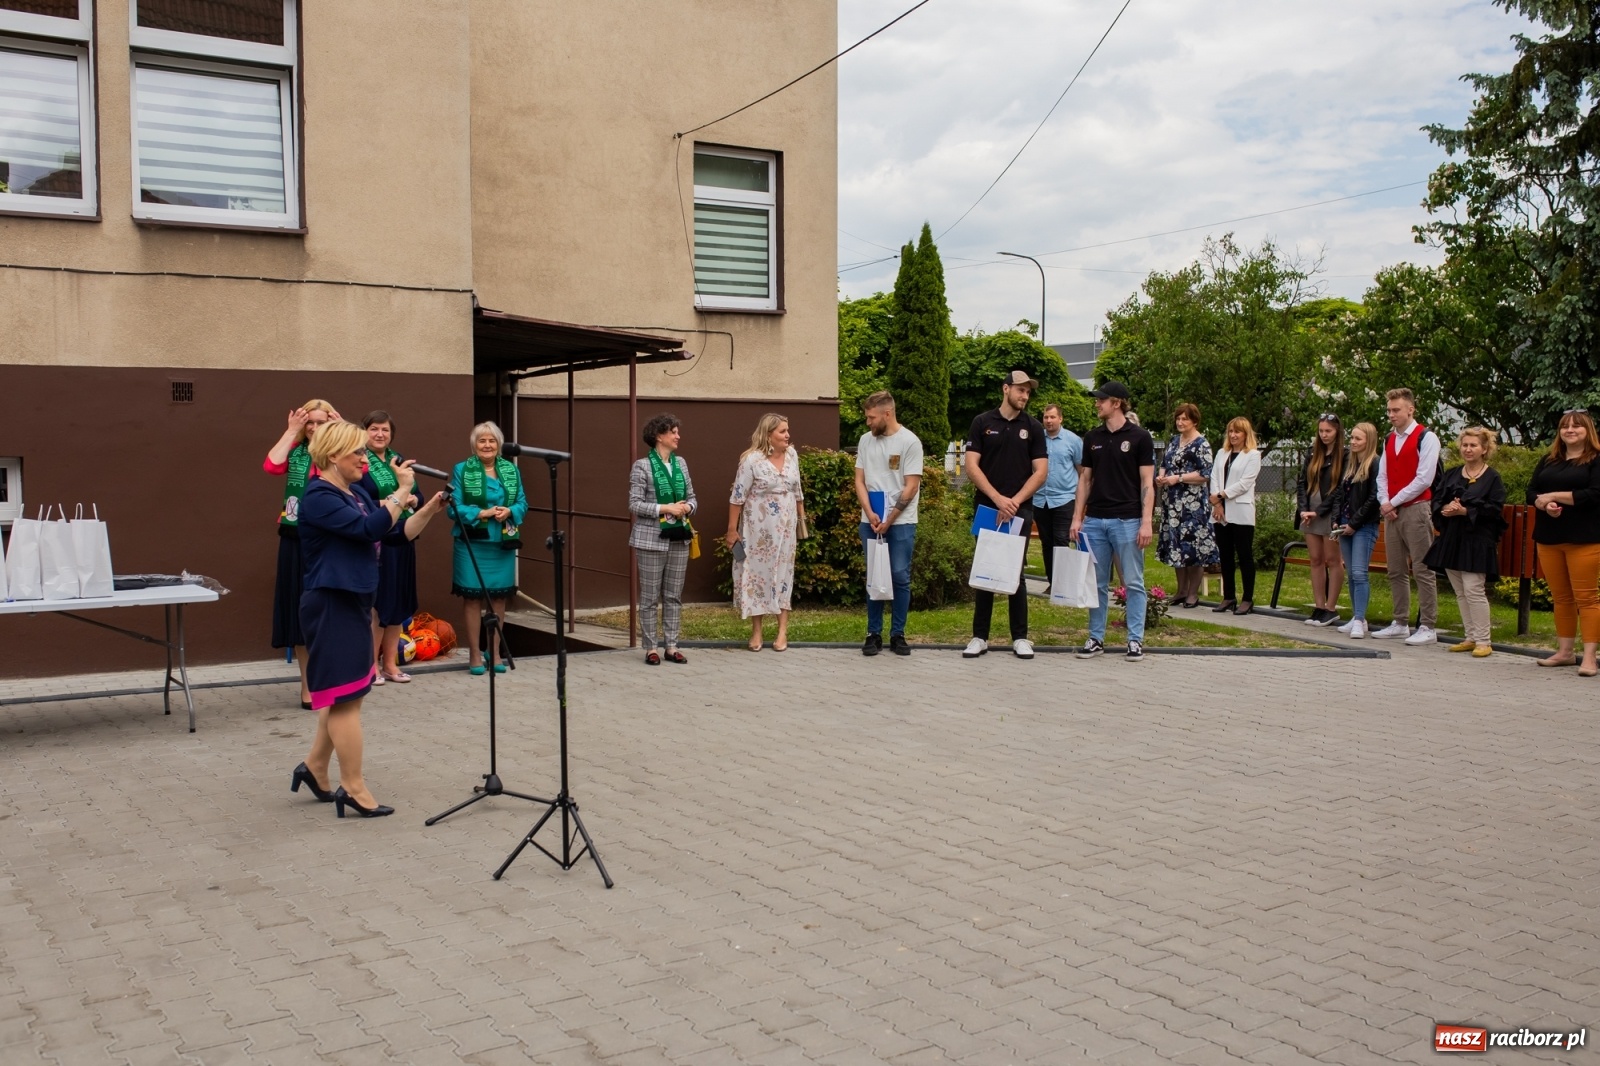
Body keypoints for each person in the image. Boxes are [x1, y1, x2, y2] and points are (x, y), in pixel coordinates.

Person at [290, 420, 417, 818]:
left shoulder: (354, 492)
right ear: (332, 456)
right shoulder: (319, 496)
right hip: (332, 602)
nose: (365, 458)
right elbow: (368, 529)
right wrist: (401, 491)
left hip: (354, 602)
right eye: (358, 452)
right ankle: (354, 787)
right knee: (347, 701)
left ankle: (313, 767)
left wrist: (429, 506)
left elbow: (394, 534)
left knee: (346, 694)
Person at [961, 370, 1048, 660]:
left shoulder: (1033, 427)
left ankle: (1020, 637)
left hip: (1019, 508)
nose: (1025, 396)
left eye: (1028, 392)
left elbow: (1041, 472)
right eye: (1020, 390)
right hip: (988, 506)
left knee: (1015, 571)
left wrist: (1014, 501)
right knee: (985, 568)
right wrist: (998, 499)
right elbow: (972, 466)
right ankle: (979, 636)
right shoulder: (982, 423)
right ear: (1006, 389)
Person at [1071, 381, 1156, 662]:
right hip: (1095, 520)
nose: (1097, 403)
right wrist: (1077, 517)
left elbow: (1147, 482)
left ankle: (1135, 640)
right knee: (1095, 584)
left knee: (1133, 582)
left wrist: (1146, 521)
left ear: (1117, 402)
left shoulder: (1140, 437)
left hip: (1128, 520)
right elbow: (1085, 479)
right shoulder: (1092, 437)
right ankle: (1096, 637)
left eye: (1101, 400)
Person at [265, 398, 339, 708]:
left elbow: (362, 468)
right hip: (295, 539)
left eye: (322, 422)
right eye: (311, 422)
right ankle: (308, 685)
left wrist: (342, 427)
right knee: (301, 612)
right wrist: (291, 430)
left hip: (330, 540)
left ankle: (332, 680)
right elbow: (271, 464)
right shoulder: (296, 452)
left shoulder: (338, 454)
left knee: (329, 611)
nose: (315, 427)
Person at [449, 422, 529, 675]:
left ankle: (493, 651)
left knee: (497, 599)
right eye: (482, 441)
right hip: (472, 543)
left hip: (501, 542)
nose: (487, 445)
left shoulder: (511, 471)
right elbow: (453, 507)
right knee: (473, 598)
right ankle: (474, 652)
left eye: (492, 441)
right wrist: (480, 512)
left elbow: (523, 503)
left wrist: (511, 511)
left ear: (498, 445)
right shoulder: (462, 470)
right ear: (474, 444)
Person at [1527, 410, 1600, 676]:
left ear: (1587, 430)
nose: (1570, 430)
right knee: (1562, 597)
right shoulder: (1549, 459)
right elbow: (1532, 491)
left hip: (1584, 539)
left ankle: (1590, 658)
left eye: (1576, 426)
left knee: (1588, 598)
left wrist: (1554, 495)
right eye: (1565, 426)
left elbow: (1594, 495)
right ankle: (1565, 652)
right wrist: (1543, 504)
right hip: (1549, 537)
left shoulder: (1595, 459)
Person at [1424, 427, 1507, 658]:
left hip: (1477, 541)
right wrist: (1445, 509)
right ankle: (1470, 636)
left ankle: (1484, 640)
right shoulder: (1452, 473)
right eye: (1465, 445)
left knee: (1474, 589)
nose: (1468, 449)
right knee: (1460, 591)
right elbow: (1437, 500)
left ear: (1484, 449)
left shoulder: (1492, 478)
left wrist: (1466, 511)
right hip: (1453, 539)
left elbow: (1494, 509)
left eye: (1473, 445)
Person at [727, 414, 806, 652]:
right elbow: (737, 497)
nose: (787, 435)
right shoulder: (751, 461)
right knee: (757, 578)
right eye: (782, 431)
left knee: (783, 576)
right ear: (768, 434)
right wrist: (732, 530)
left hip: (786, 531)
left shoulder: (792, 455)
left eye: (787, 430)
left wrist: (802, 519)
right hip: (758, 533)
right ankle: (757, 631)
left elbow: (798, 490)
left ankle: (782, 632)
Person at [360, 411, 427, 684]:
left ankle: (389, 664)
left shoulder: (399, 460)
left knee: (399, 603)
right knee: (378, 606)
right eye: (374, 429)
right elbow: (361, 499)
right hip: (378, 540)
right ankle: (369, 666)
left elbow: (419, 497)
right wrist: (392, 502)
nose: (380, 434)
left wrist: (410, 501)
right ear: (365, 432)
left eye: (385, 430)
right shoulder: (360, 460)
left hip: (403, 536)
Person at [854, 391, 922, 657]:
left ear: (887, 414)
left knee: (899, 576)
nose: (868, 422)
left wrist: (890, 518)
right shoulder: (865, 441)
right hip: (869, 521)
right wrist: (870, 513)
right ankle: (873, 633)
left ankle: (898, 634)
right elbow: (859, 480)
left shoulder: (910, 442)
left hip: (901, 522)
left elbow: (911, 486)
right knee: (874, 575)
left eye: (871, 417)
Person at [628, 413, 698, 665]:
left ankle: (671, 645)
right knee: (649, 597)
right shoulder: (642, 466)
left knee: (673, 595)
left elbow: (693, 498)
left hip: (679, 537)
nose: (678, 436)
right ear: (659, 436)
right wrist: (666, 508)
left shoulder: (682, 464)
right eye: (673, 431)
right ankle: (650, 648)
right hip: (650, 539)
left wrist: (687, 508)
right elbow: (634, 504)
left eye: (678, 431)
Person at [1373, 388, 1442, 645]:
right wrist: (1384, 502)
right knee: (1396, 569)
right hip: (1392, 511)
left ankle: (1428, 625)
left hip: (1416, 508)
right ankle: (1400, 621)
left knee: (1423, 569)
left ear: (1410, 409)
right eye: (1389, 410)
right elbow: (1383, 475)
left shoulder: (1426, 437)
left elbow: (1424, 477)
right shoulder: (1390, 439)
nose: (1391, 415)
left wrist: (1393, 501)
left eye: (1396, 410)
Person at [1156, 403, 1219, 608]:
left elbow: (1204, 475)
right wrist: (1162, 475)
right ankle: (1181, 590)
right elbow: (1165, 463)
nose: (1180, 422)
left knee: (1194, 549)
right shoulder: (1175, 441)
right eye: (1178, 418)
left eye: (1185, 419)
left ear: (1195, 421)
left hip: (1193, 507)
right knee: (1176, 548)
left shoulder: (1202, 444)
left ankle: (1193, 593)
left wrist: (1179, 478)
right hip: (1173, 504)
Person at [1296, 413, 1346, 626]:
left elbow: (1341, 489)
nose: (1324, 435)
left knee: (1333, 560)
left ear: (1337, 432)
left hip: (1329, 514)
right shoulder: (1312, 454)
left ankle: (1331, 608)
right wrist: (1303, 509)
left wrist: (1320, 511)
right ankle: (1318, 606)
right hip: (1310, 513)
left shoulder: (1344, 456)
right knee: (1315, 560)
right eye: (1321, 431)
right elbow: (1301, 483)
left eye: (1329, 431)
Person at [1333, 423, 1382, 639]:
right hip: (1345, 522)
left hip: (1363, 525)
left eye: (1358, 439)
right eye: (1352, 438)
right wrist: (1336, 521)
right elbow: (1339, 495)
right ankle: (1356, 616)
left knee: (1360, 573)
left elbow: (1374, 498)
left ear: (1369, 441)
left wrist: (1355, 522)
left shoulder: (1375, 463)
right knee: (1351, 574)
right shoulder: (1351, 464)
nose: (1353, 442)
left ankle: (1360, 619)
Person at [1208, 416, 1261, 615]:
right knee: (1226, 556)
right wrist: (1216, 502)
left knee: (1245, 556)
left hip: (1240, 511)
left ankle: (1248, 598)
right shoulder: (1222, 453)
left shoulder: (1253, 455)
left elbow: (1245, 483)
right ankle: (1228, 596)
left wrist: (1221, 495)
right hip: (1220, 512)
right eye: (1230, 431)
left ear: (1246, 434)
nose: (1233, 435)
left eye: (1237, 432)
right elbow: (1214, 476)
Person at [1034, 402, 1082, 594]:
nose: (1049, 421)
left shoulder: (1073, 441)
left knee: (1061, 541)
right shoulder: (1037, 440)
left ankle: (1062, 585)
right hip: (1040, 499)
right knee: (1046, 542)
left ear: (1060, 418)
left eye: (1052, 417)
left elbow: (1082, 470)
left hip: (1064, 498)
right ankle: (1052, 582)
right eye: (1046, 417)